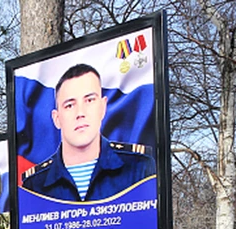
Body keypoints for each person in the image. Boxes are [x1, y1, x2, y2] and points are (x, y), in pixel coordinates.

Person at [22, 63, 156, 201]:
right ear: (56, 118)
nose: (80, 113)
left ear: (103, 107)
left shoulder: (139, 168)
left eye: (89, 100)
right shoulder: (34, 185)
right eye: (69, 105)